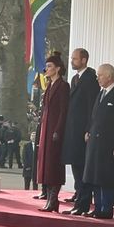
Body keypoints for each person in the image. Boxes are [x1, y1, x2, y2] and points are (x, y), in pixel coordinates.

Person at [61, 48, 99, 215]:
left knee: (82, 166)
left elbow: (92, 106)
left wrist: (88, 128)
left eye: (75, 58)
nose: (72, 61)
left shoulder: (90, 79)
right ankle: (79, 201)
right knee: (76, 166)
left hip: (82, 131)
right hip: (73, 130)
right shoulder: (75, 78)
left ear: (84, 60)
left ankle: (83, 203)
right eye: (72, 58)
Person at [82, 64, 114, 218]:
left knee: (106, 177)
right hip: (95, 143)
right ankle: (98, 207)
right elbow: (94, 116)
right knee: (95, 176)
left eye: (100, 75)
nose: (97, 78)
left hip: (108, 143)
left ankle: (106, 208)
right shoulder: (101, 93)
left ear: (110, 76)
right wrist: (88, 130)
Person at [37, 52, 70, 213]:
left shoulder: (63, 86)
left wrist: (58, 130)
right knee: (45, 164)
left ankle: (53, 199)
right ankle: (49, 198)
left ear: (57, 69)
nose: (47, 69)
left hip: (54, 130)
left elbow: (64, 111)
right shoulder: (49, 85)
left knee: (53, 164)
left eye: (50, 66)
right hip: (46, 128)